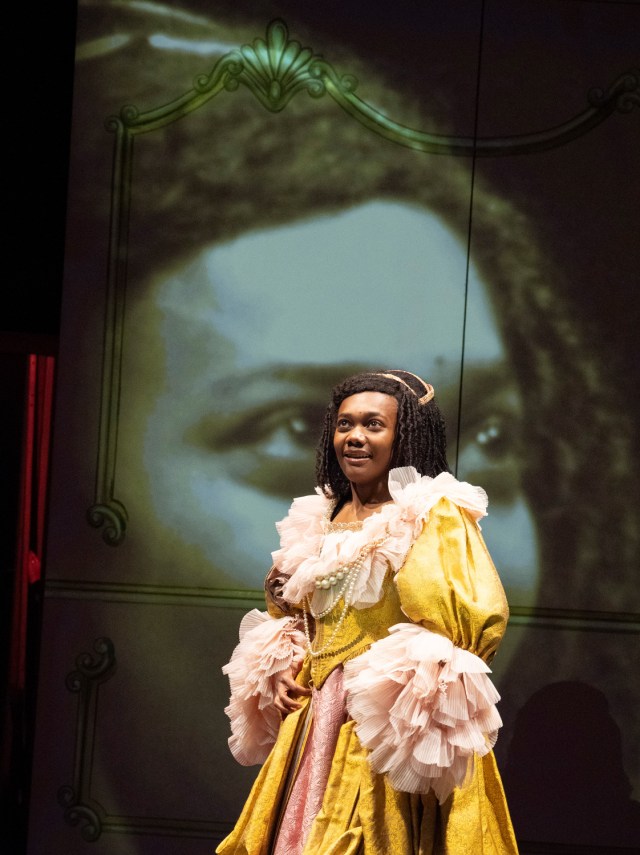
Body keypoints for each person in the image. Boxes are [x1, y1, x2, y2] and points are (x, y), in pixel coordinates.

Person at [217, 369, 519, 854]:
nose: (354, 437)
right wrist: (287, 663)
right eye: (344, 424)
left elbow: (466, 625)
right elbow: (300, 616)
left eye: (373, 425)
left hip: (386, 731)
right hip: (315, 721)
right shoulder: (320, 517)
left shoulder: (430, 514)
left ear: (404, 437)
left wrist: (393, 691)